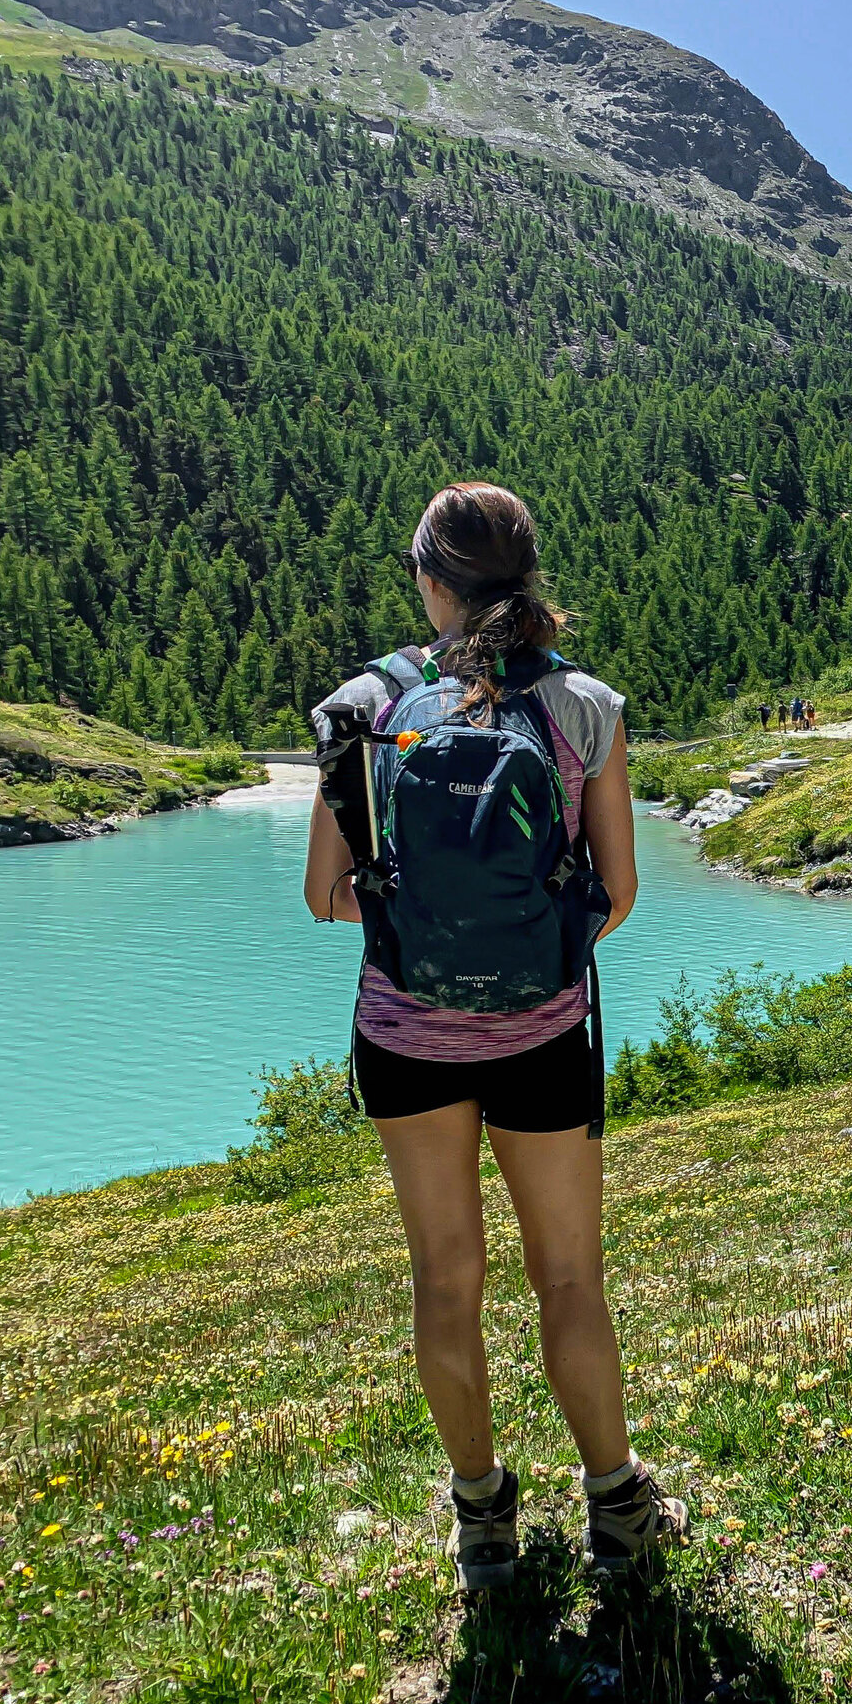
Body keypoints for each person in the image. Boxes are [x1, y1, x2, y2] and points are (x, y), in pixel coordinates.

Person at [302, 482, 687, 1590]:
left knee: (444, 1281)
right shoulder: (583, 707)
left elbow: (329, 896)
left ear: (428, 579)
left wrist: (420, 924)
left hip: (405, 1039)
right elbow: (616, 894)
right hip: (543, 1036)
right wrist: (528, 945)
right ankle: (617, 1511)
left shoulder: (364, 710)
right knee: (568, 1279)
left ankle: (483, 1521)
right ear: (524, 577)